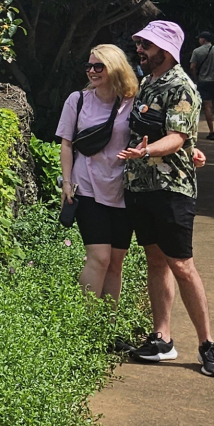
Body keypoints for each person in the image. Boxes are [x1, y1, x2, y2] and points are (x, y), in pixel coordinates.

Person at [119, 19, 214, 379]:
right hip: (139, 187)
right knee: (155, 260)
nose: (140, 50)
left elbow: (177, 137)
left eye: (146, 45)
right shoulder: (147, 83)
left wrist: (146, 152)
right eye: (140, 44)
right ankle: (162, 338)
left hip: (171, 189)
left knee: (182, 265)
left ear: (165, 50)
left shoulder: (181, 86)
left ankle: (207, 344)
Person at [57, 44, 139, 301]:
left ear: (114, 68)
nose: (92, 71)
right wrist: (67, 183)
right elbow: (66, 144)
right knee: (100, 258)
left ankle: (108, 323)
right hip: (87, 187)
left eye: (98, 66)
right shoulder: (77, 100)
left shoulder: (132, 102)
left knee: (116, 261)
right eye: (89, 66)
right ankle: (89, 319)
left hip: (121, 188)